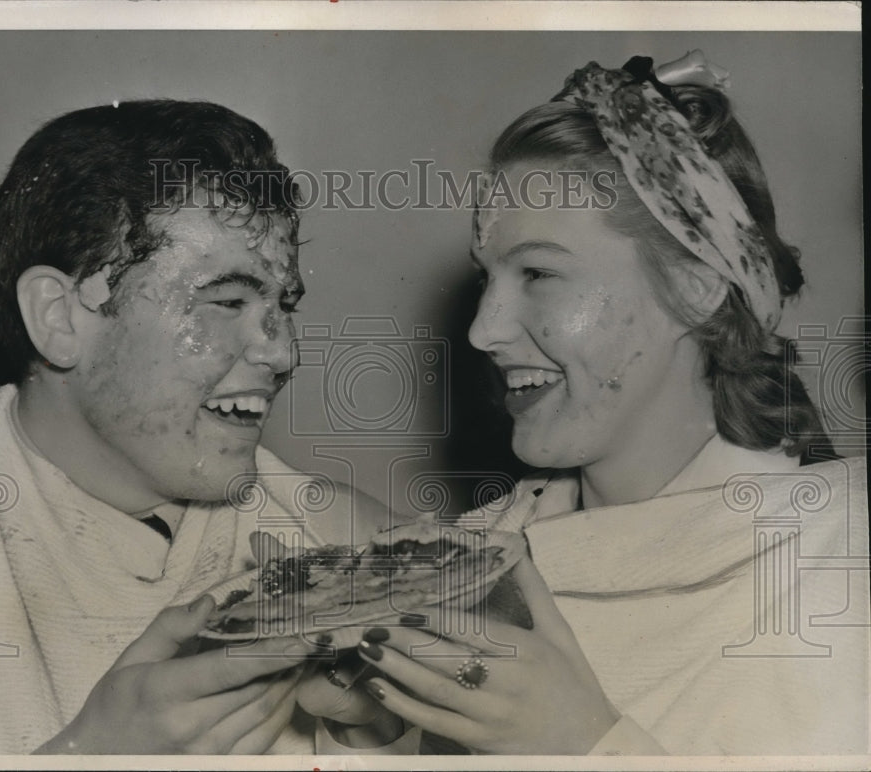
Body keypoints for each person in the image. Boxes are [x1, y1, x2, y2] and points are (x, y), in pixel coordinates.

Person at [329, 52, 869, 754]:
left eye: (539, 273)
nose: (483, 329)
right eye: (489, 277)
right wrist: (355, 731)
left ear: (697, 286)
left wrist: (582, 745)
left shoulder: (841, 566)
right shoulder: (476, 549)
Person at [0, 99, 416, 754]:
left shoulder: (357, 548)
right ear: (59, 317)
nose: (284, 354)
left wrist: (391, 738)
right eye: (226, 302)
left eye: (282, 305)